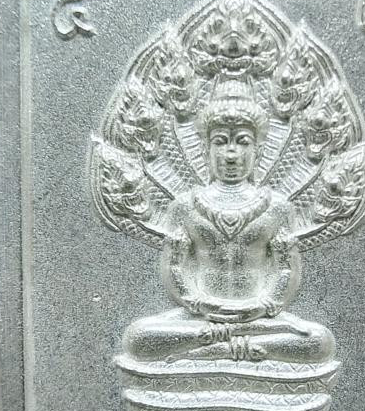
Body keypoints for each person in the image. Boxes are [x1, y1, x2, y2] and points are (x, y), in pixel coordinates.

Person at [123, 79, 335, 364]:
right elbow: (174, 266)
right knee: (138, 337)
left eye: (243, 142)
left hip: (257, 318)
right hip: (201, 318)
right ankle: (226, 344)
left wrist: (263, 306)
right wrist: (197, 303)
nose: (232, 153)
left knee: (319, 341)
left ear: (258, 149)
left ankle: (214, 349)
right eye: (221, 141)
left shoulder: (277, 207)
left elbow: (286, 268)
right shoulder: (185, 206)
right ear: (206, 149)